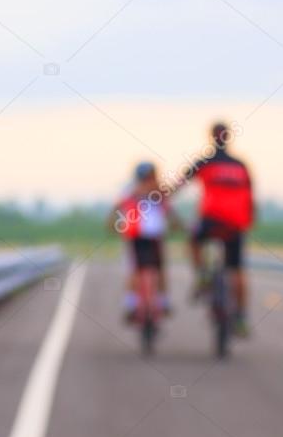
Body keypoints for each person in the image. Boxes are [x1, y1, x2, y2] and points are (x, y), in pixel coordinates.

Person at [185, 122, 255, 337]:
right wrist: (248, 220)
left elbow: (180, 183)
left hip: (211, 220)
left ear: (211, 137)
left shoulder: (205, 161)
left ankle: (201, 276)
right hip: (236, 223)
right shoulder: (241, 165)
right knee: (237, 270)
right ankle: (241, 316)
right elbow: (251, 197)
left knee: (193, 239)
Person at [109, 162, 181, 322]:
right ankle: (135, 303)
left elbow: (169, 210)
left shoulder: (144, 191)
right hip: (140, 236)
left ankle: (153, 302)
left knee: (152, 269)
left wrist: (113, 224)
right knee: (138, 270)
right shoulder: (142, 191)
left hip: (149, 236)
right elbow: (170, 210)